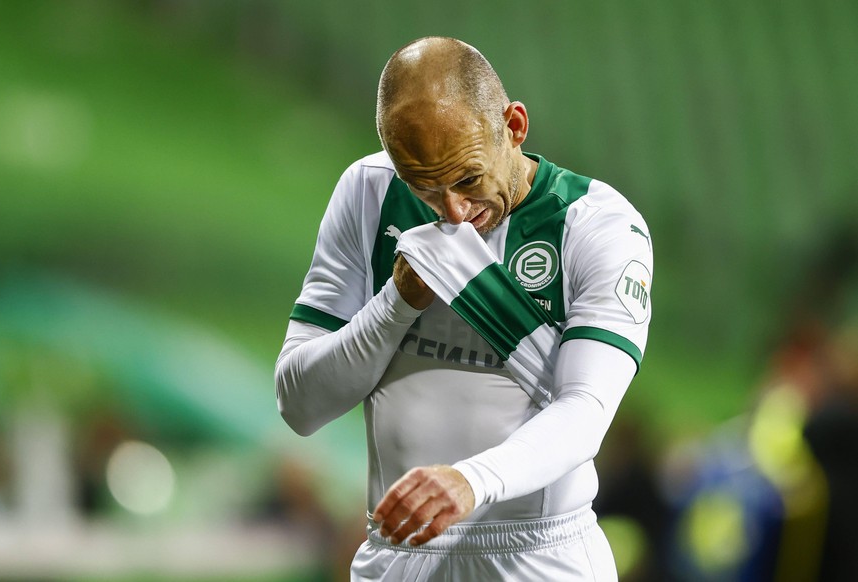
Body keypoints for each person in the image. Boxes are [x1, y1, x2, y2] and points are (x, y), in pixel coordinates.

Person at [275, 36, 653, 580]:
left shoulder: (596, 224)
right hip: (398, 557)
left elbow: (585, 411)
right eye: (423, 186)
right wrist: (396, 304)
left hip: (538, 557)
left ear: (514, 126)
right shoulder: (368, 190)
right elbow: (299, 403)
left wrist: (469, 481)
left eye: (467, 179)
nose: (454, 212)